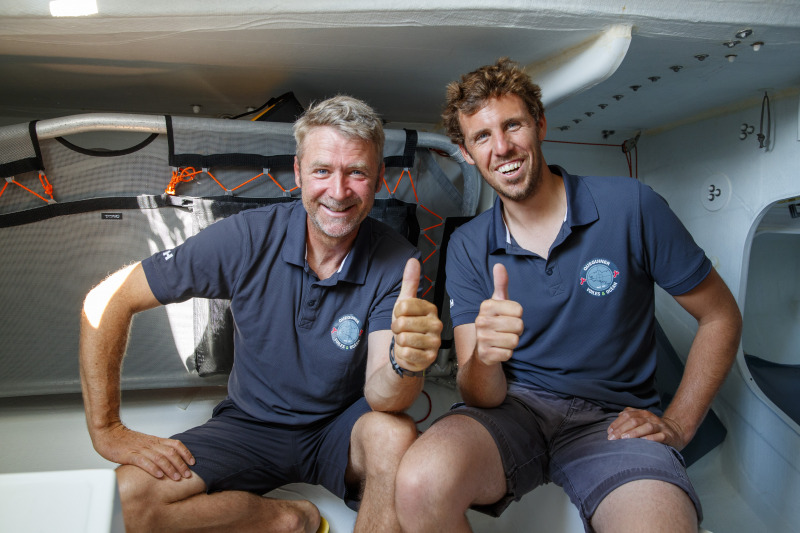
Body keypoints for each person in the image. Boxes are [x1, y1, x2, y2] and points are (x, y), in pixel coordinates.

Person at [395, 58, 742, 533]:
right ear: (465, 152)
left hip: (614, 420)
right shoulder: (469, 244)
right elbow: (479, 393)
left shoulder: (631, 207)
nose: (501, 147)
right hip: (514, 410)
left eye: (512, 125)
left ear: (539, 124)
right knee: (418, 484)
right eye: (481, 137)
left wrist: (679, 424)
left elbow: (720, 316)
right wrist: (486, 359)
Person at [80, 95, 442, 533]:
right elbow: (106, 300)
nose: (339, 191)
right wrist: (107, 429)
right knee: (124, 502)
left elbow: (386, 398)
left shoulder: (397, 262)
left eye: (357, 173)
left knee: (395, 434)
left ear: (380, 178)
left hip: (338, 432)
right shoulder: (246, 238)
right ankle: (285, 520)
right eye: (322, 170)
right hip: (250, 427)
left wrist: (407, 364)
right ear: (298, 173)